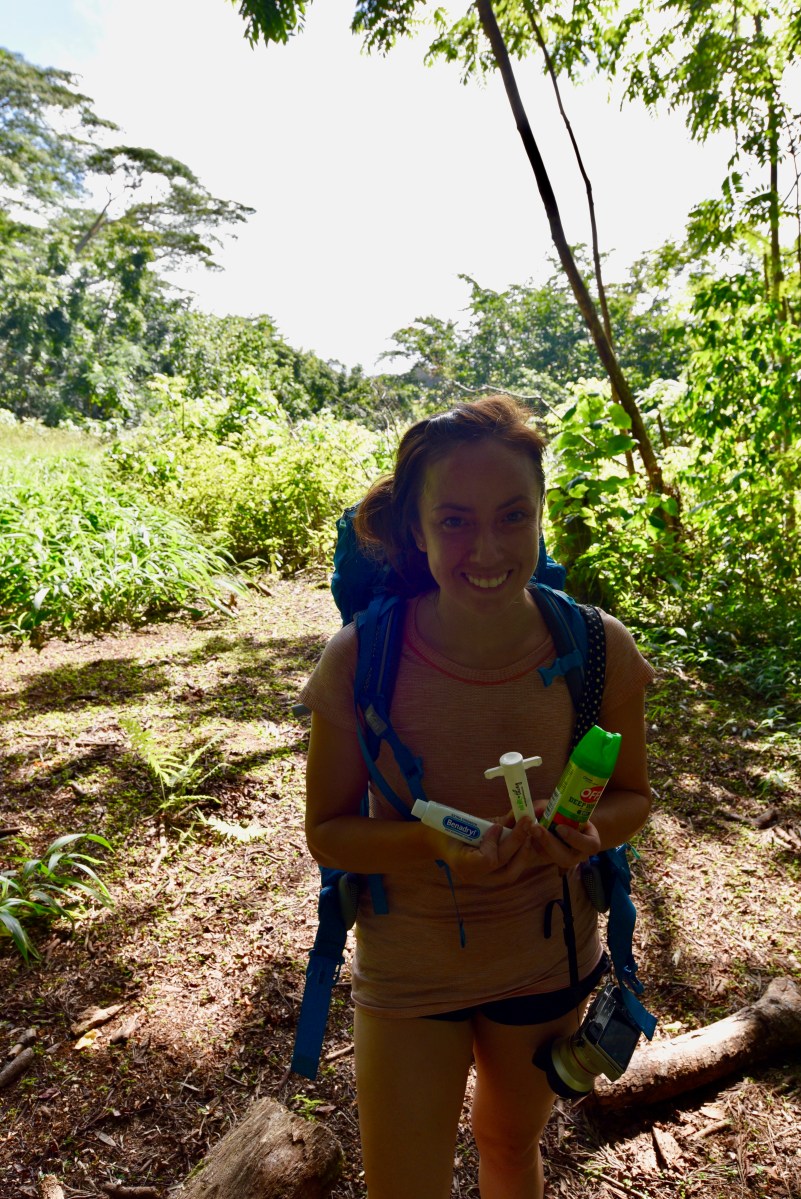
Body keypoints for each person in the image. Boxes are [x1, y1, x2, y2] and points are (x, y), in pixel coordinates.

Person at [299, 396, 653, 1199]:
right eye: (454, 520)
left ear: (540, 514)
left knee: (508, 1143)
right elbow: (329, 831)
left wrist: (586, 832)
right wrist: (431, 843)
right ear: (416, 529)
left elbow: (632, 797)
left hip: (546, 957)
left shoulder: (598, 648)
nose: (486, 548)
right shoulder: (361, 660)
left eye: (512, 515)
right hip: (410, 969)